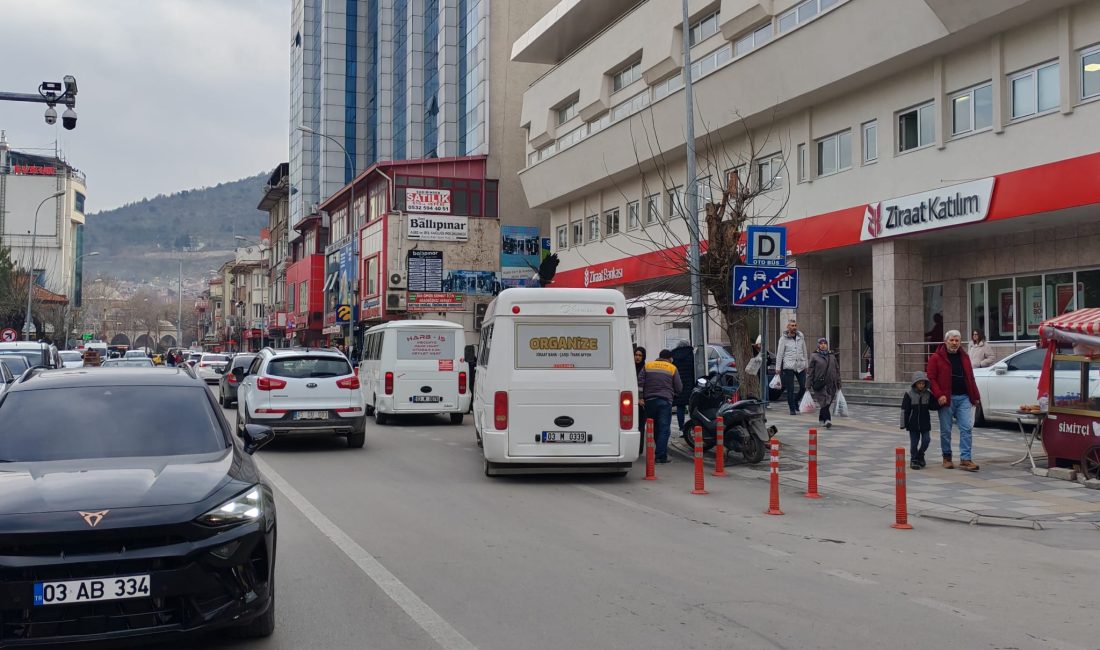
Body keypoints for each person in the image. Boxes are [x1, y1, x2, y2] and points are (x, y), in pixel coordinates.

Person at [926, 329, 981, 471]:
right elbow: (931, 378)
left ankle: (966, 459)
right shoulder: (936, 358)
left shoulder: (964, 357)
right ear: (946, 341)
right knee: (946, 430)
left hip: (964, 397)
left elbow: (970, 378)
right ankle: (947, 457)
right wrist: (939, 395)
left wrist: (975, 396)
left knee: (967, 428)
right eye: (952, 340)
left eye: (957, 340)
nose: (954, 343)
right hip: (946, 400)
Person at [638, 349, 682, 464]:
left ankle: (659, 453)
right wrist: (674, 393)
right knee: (664, 429)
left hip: (649, 401)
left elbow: (640, 382)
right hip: (664, 401)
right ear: (670, 358)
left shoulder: (648, 366)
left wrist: (641, 397)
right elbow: (679, 387)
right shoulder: (672, 368)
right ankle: (660, 455)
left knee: (654, 427)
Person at [900, 371, 935, 470]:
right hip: (913, 424)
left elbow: (933, 405)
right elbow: (904, 410)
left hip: (925, 424)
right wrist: (903, 424)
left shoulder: (928, 394)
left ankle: (921, 454)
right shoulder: (909, 394)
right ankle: (914, 459)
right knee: (914, 443)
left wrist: (941, 402)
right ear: (915, 383)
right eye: (919, 383)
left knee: (926, 440)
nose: (921, 385)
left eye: (923, 383)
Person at [775, 319, 808, 415]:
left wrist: (806, 364)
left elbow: (804, 351)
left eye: (795, 325)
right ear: (788, 327)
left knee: (804, 387)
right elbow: (779, 354)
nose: (794, 327)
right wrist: (778, 368)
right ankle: (792, 409)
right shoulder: (783, 339)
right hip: (788, 366)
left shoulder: (801, 337)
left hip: (800, 365)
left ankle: (795, 401)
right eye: (792, 325)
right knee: (791, 388)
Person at [807, 337, 841, 428]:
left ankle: (821, 418)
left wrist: (838, 382)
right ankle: (827, 420)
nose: (823, 345)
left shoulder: (832, 356)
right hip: (820, 384)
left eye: (825, 343)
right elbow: (810, 371)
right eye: (821, 343)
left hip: (831, 383)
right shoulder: (814, 356)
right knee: (824, 402)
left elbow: (837, 370)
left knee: (827, 403)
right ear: (818, 345)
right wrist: (808, 384)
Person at [670, 340, 696, 431]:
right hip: (690, 384)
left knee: (680, 407)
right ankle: (692, 427)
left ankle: (681, 428)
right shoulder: (691, 354)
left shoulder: (673, 355)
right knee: (692, 406)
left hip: (678, 384)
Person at [633, 346, 647, 437]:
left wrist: (641, 398)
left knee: (641, 425)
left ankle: (640, 448)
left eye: (640, 355)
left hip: (642, 401)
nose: (637, 357)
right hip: (630, 400)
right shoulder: (630, 368)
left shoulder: (646, 368)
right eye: (636, 355)